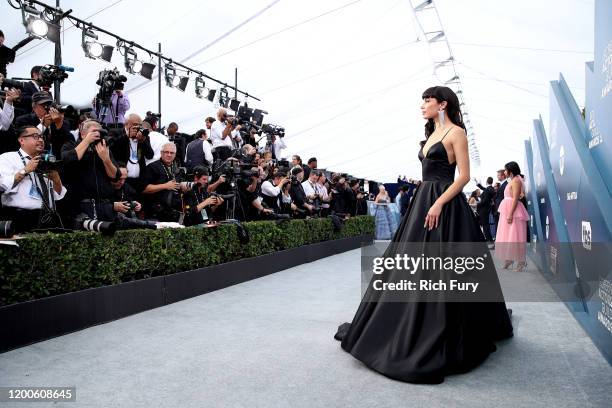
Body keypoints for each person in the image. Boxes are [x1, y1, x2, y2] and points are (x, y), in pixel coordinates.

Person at [334, 86, 513, 384]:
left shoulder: (456, 133)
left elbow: (465, 177)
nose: (422, 105)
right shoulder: (431, 133)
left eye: (427, 100)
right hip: (424, 200)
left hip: (444, 203)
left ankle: (436, 328)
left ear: (442, 104)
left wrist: (439, 203)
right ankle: (398, 324)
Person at [0, 126, 66, 232]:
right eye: (35, 136)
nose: (40, 140)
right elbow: (3, 186)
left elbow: (58, 195)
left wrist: (57, 180)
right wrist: (25, 170)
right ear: (21, 140)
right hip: (20, 217)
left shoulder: (46, 160)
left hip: (47, 218)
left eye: (41, 137)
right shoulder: (7, 158)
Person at [495, 161, 529, 271]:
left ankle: (521, 262)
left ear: (510, 170)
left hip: (513, 212)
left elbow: (515, 198)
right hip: (507, 210)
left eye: (505, 170)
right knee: (508, 236)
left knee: (516, 236)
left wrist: (510, 213)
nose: (504, 172)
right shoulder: (512, 181)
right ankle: (509, 259)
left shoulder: (516, 181)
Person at [110, 113, 154, 193]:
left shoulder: (144, 136)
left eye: (139, 125)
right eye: (135, 124)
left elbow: (150, 155)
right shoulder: (116, 133)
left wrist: (143, 140)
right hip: (122, 180)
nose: (137, 127)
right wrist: (127, 136)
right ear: (126, 124)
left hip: (139, 180)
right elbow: (112, 150)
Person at [476, 176, 495, 243]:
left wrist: (477, 204)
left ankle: (489, 240)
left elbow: (484, 201)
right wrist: (478, 184)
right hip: (486, 210)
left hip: (483, 210)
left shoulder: (488, 190)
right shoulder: (491, 189)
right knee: (486, 226)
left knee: (485, 226)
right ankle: (489, 239)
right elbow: (484, 189)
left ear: (486, 181)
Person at [493, 169, 508, 233]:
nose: (497, 177)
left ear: (503, 176)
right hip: (498, 209)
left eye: (498, 175)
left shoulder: (506, 184)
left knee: (502, 226)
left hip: (503, 209)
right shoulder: (501, 185)